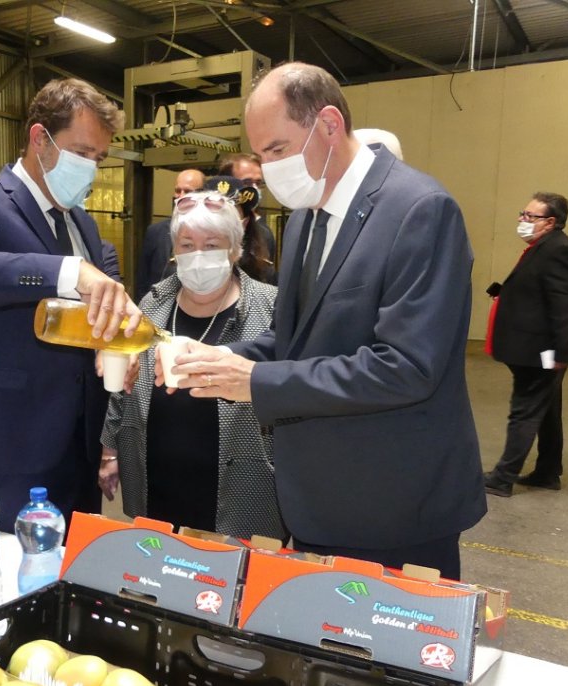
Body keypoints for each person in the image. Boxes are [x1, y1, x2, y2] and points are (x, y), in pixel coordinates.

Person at [162, 62, 485, 580]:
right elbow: (297, 338)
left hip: (392, 506)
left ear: (329, 125)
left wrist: (257, 381)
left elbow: (406, 366)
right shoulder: (312, 213)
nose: (267, 172)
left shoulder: (420, 210)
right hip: (317, 499)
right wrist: (225, 358)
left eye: (277, 150)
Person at [0, 77, 140, 532]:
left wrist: (118, 345)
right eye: (81, 153)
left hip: (78, 443)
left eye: (99, 158)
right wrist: (67, 272)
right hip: (10, 444)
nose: (91, 168)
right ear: (39, 138)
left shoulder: (83, 224)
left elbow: (104, 315)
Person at [100, 190, 284, 539]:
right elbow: (124, 388)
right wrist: (110, 451)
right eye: (186, 245)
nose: (198, 256)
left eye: (212, 245)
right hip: (156, 482)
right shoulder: (152, 305)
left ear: (235, 249)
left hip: (243, 490)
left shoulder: (270, 308)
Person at [483, 193, 568, 497]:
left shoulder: (556, 251)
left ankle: (502, 478)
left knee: (525, 411)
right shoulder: (543, 247)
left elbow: (563, 305)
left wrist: (562, 353)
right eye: (522, 214)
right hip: (539, 347)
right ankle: (547, 472)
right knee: (547, 409)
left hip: (542, 351)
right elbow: (539, 291)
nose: (522, 220)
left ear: (550, 222)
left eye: (530, 216)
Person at [135, 168, 205, 301]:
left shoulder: (209, 233)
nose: (181, 196)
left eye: (188, 191)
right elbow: (142, 280)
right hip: (157, 308)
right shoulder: (155, 232)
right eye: (178, 190)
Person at [203, 175, 275, 285]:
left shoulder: (262, 271)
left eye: (232, 215)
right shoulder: (183, 267)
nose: (222, 224)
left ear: (245, 223)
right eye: (214, 215)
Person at [218, 152, 277, 260]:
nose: (254, 189)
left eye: (258, 183)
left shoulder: (263, 235)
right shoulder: (209, 225)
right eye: (247, 182)